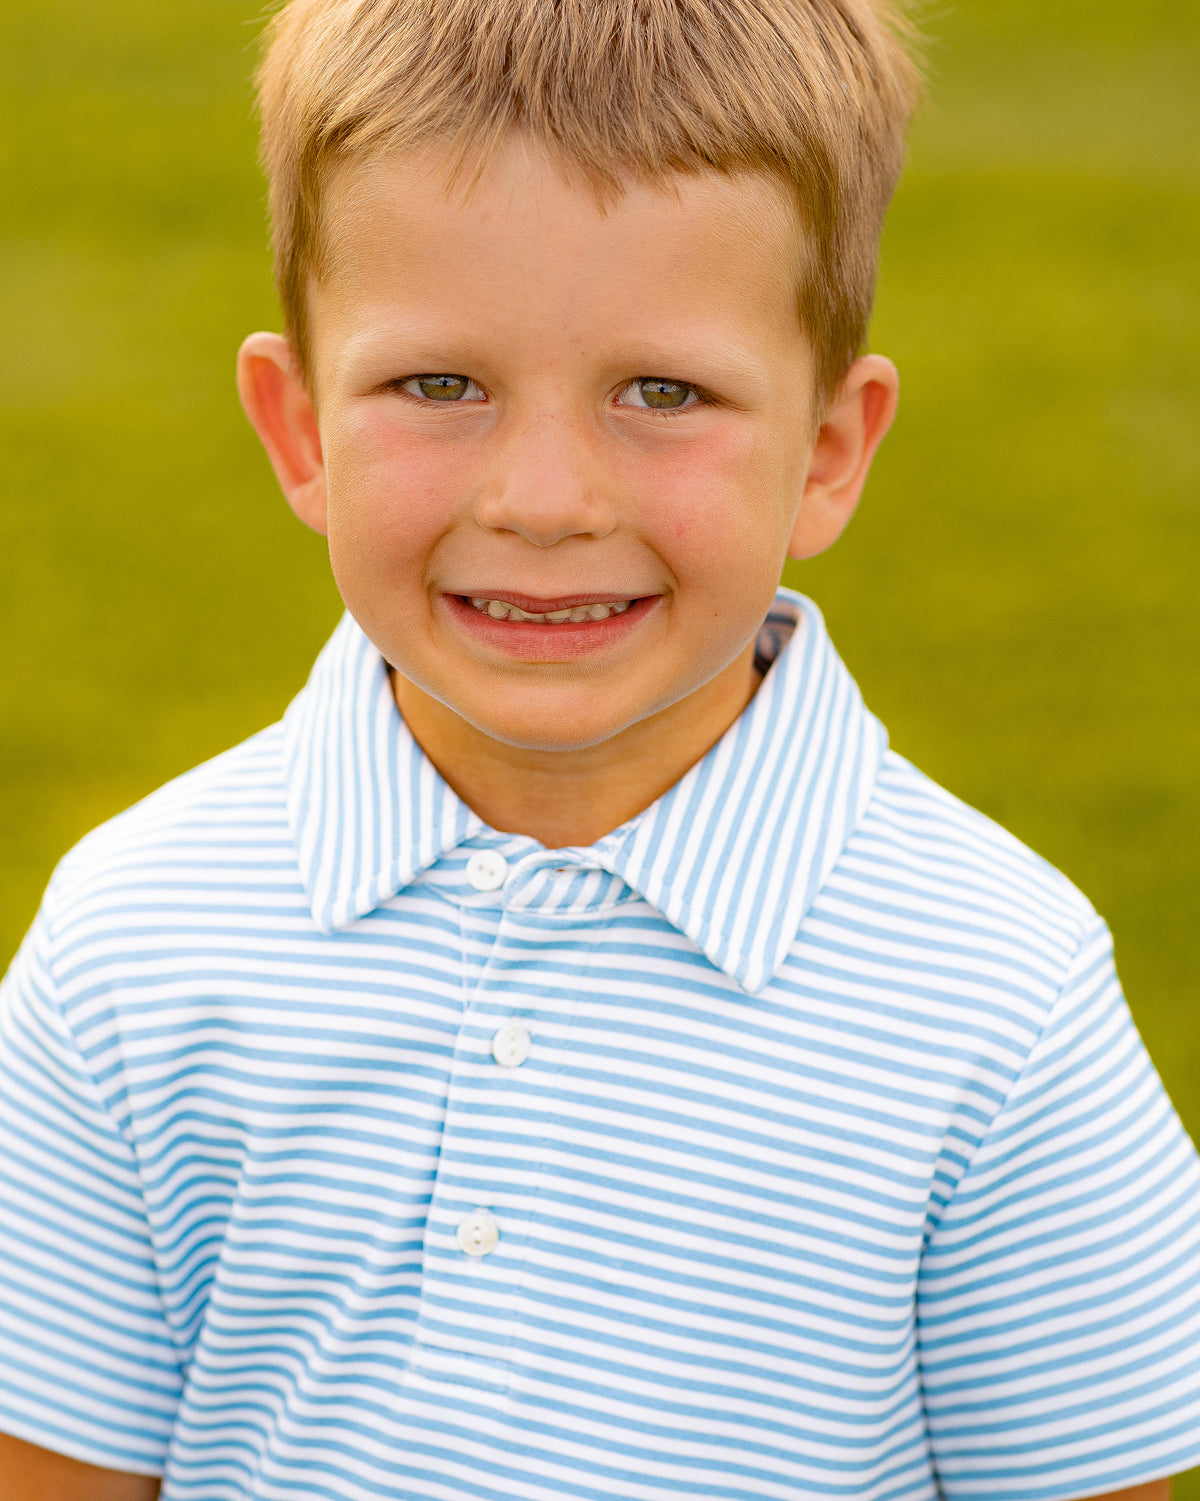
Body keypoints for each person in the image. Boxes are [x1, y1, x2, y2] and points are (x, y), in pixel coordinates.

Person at [1, 0, 1198, 1497]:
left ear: (829, 448)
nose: (547, 496)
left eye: (663, 393)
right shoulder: (132, 944)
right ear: (298, 425)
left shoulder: (995, 999)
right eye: (440, 386)